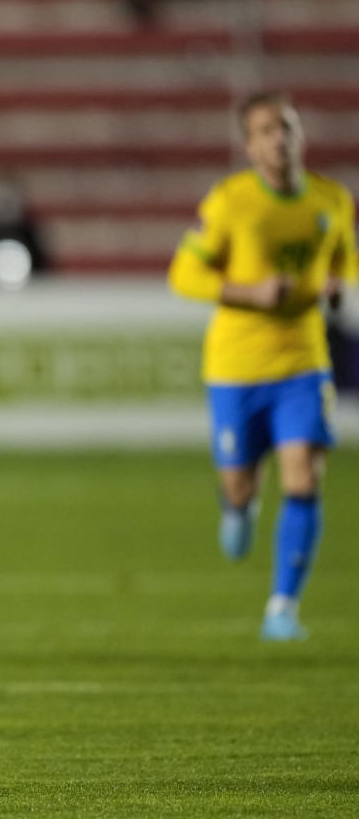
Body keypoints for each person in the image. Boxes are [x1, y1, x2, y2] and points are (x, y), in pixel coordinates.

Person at [168, 91, 356, 641]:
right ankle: (237, 507)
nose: (281, 138)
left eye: (288, 127)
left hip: (303, 361)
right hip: (237, 367)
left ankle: (282, 608)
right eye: (268, 130)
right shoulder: (229, 203)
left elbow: (343, 255)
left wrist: (339, 284)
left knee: (304, 476)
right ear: (249, 146)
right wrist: (248, 291)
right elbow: (184, 275)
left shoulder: (331, 200)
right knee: (242, 485)